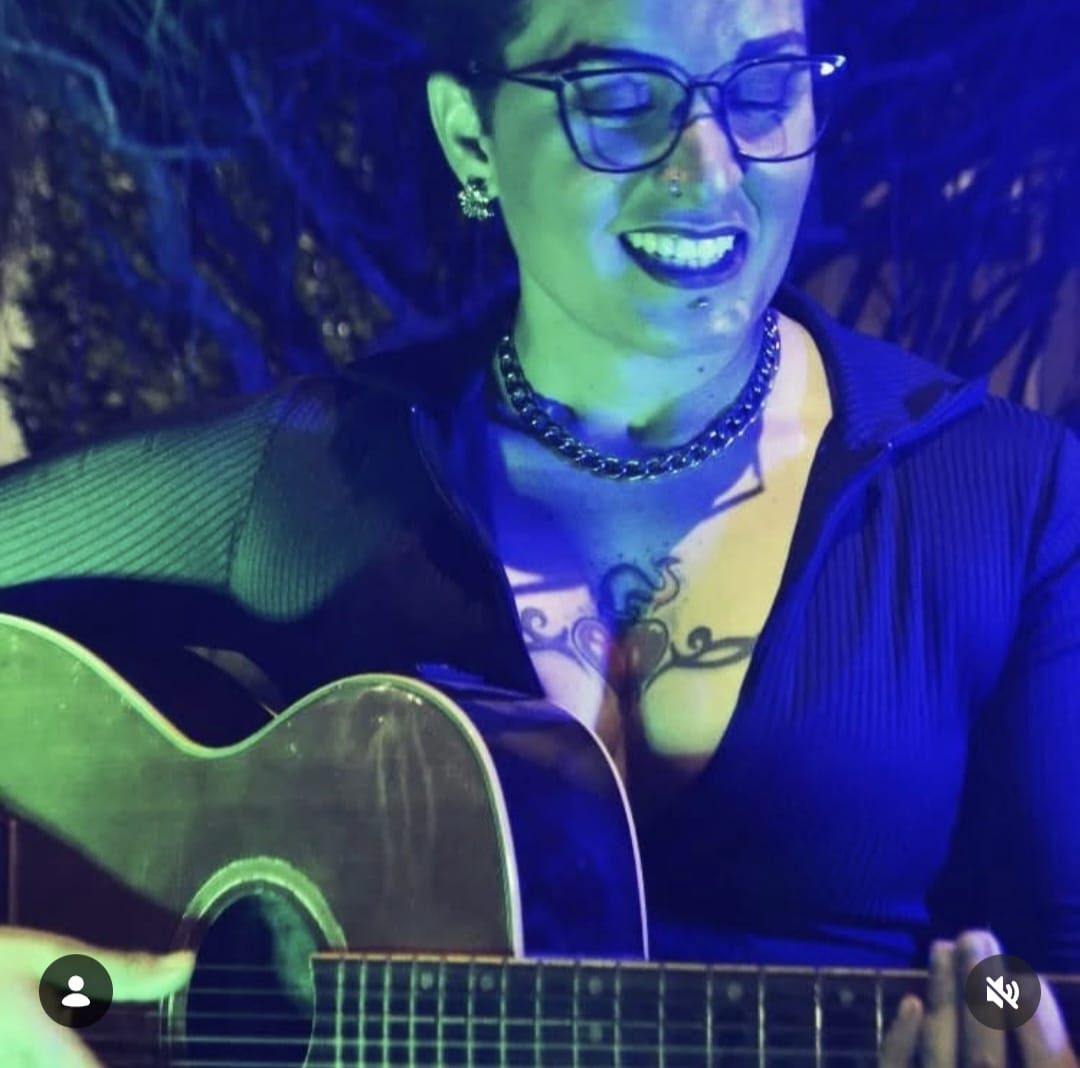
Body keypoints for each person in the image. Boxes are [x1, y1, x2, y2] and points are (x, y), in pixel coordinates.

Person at [1, 0, 1078, 1063]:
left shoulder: (1008, 501)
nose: (711, 170)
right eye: (620, 97)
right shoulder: (302, 477)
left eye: (764, 90)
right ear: (470, 134)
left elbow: (1049, 971)